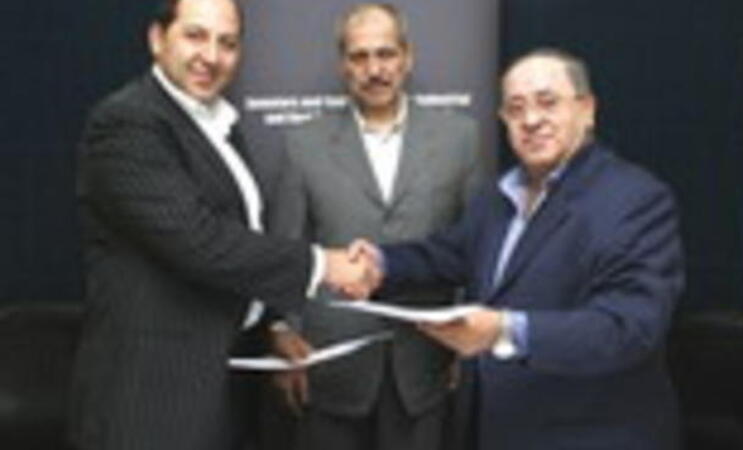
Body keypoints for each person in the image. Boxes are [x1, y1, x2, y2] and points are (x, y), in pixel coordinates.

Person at [68, 1, 369, 449]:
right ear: (157, 39)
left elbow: (242, 236)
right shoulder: (127, 123)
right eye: (195, 36)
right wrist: (323, 264)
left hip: (221, 385)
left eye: (227, 43)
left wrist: (273, 328)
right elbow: (200, 241)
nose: (211, 56)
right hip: (151, 402)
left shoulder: (218, 124)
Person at [350, 48, 684, 450]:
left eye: (548, 102)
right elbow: (446, 256)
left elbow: (628, 328)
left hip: (585, 434)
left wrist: (505, 331)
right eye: (516, 108)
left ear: (587, 110)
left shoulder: (634, 199)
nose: (531, 120)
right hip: (497, 426)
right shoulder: (498, 195)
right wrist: (380, 263)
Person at [266, 4, 486, 450]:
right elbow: (284, 250)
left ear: (407, 57)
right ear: (343, 65)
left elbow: (476, 248)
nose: (374, 69)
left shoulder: (459, 139)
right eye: (360, 57)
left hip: (424, 366)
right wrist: (282, 333)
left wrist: (469, 340)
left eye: (386, 54)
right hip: (330, 368)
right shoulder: (302, 145)